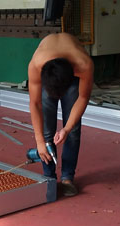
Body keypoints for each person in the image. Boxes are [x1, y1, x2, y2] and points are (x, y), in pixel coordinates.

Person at [28, 33, 93, 196]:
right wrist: (39, 141)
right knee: (46, 131)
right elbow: (35, 103)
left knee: (73, 131)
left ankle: (67, 178)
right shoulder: (36, 65)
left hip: (71, 73)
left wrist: (67, 128)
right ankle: (49, 177)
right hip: (49, 69)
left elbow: (83, 97)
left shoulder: (84, 65)